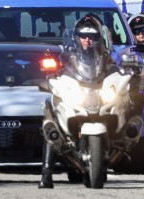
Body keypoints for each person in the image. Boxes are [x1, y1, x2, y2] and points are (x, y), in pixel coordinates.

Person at [39, 15, 117, 188]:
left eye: (92, 36)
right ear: (76, 37)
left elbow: (115, 69)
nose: (87, 40)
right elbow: (56, 68)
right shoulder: (68, 55)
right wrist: (53, 75)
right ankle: (46, 173)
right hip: (76, 94)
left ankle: (103, 161)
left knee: (122, 107)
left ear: (99, 38)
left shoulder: (106, 56)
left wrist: (125, 74)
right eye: (83, 36)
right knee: (51, 122)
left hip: (98, 96)